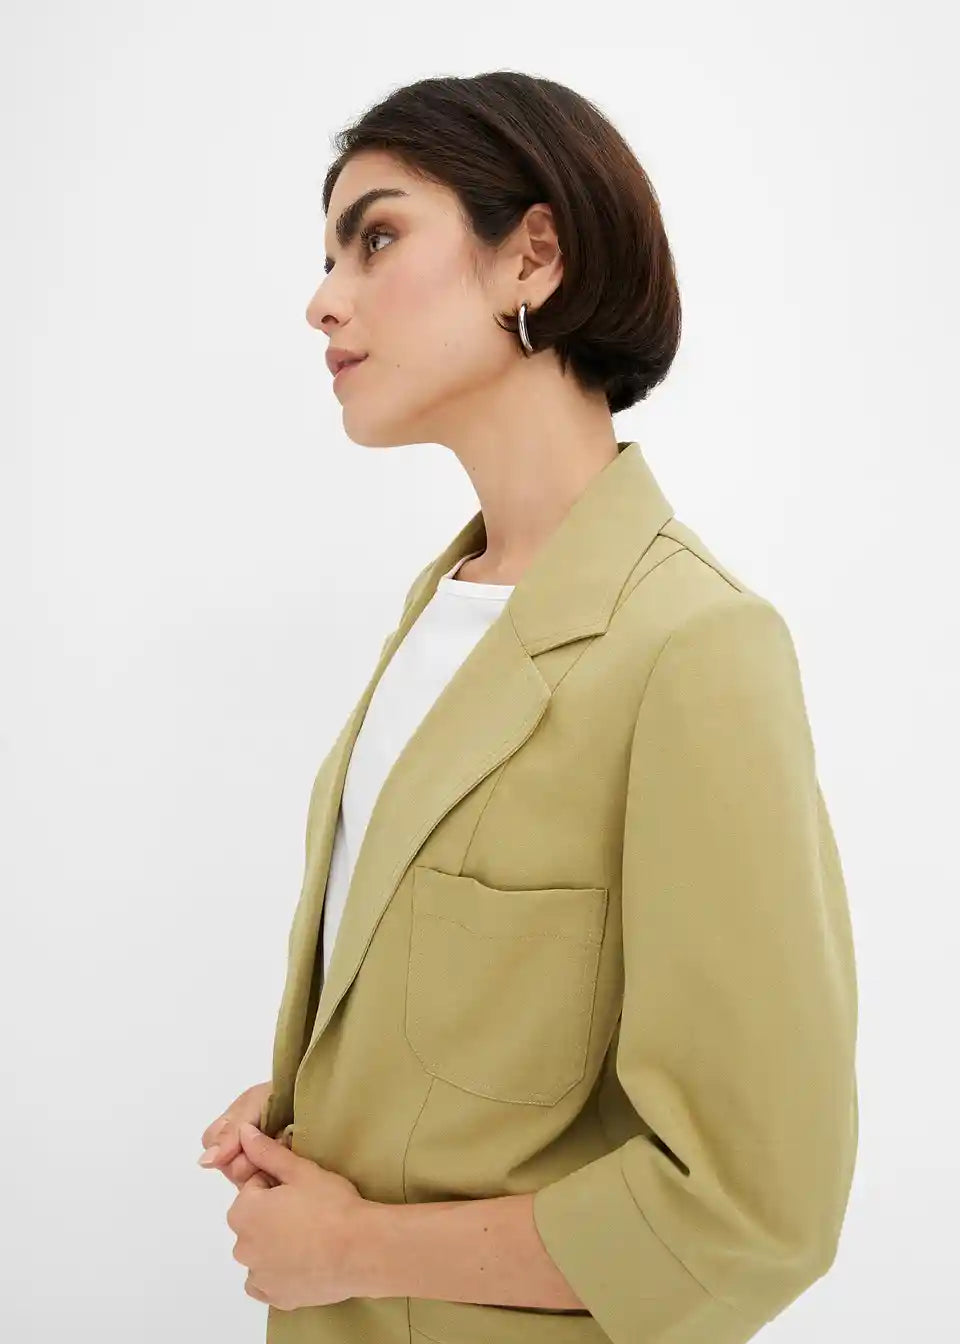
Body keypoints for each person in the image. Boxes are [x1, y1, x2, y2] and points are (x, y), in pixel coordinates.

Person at [198, 70, 858, 1344]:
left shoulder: (696, 648)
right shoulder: (443, 608)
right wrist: (325, 1110)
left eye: (375, 238)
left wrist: (355, 1246)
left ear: (533, 257)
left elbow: (754, 1211)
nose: (323, 298)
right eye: (329, 255)